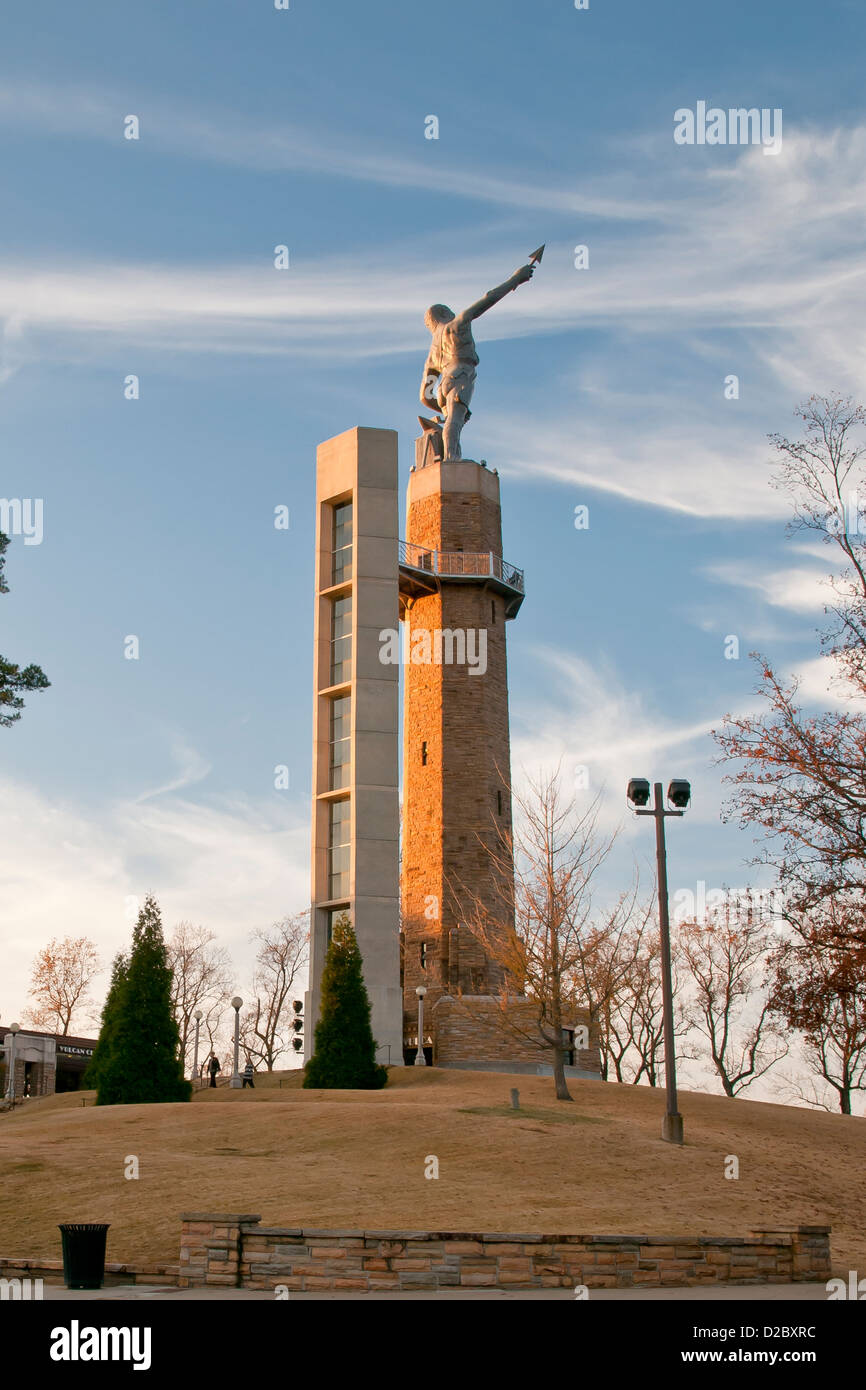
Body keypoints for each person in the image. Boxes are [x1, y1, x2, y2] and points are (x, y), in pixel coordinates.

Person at [419, 257, 538, 461]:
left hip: (443, 386)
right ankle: (452, 460)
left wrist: (441, 404)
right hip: (461, 374)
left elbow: (425, 395)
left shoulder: (433, 353)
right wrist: (515, 280)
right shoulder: (456, 325)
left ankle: (451, 456)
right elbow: (487, 299)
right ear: (444, 313)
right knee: (454, 423)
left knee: (452, 421)